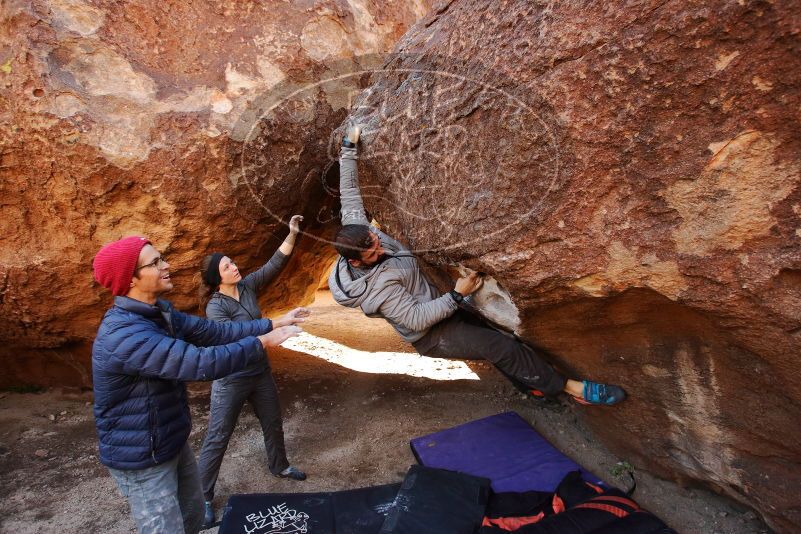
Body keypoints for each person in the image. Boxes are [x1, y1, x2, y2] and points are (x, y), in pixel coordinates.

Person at [329, 126, 626, 406]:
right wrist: (457, 295)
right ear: (354, 261)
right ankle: (575, 390)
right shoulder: (377, 291)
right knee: (501, 347)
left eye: (376, 240)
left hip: (441, 308)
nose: (381, 247)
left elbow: (350, 192)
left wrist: (348, 149)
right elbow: (416, 319)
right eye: (373, 252)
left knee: (500, 339)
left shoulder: (358, 233)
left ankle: (534, 388)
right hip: (431, 335)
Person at [91, 236, 304, 534]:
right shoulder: (125, 333)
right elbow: (199, 362)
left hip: (169, 440)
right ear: (130, 278)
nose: (167, 265)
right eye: (155, 262)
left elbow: (211, 332)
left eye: (161, 258)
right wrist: (262, 343)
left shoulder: (159, 313)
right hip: (142, 457)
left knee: (190, 521)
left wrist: (272, 324)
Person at [196, 215, 309, 529]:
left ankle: (280, 466)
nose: (234, 267)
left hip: (259, 372)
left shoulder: (246, 287)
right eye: (227, 267)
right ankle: (202, 497)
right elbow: (235, 336)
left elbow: (274, 264)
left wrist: (292, 233)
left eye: (232, 262)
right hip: (232, 377)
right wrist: (277, 325)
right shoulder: (216, 306)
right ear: (217, 279)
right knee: (218, 436)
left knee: (272, 420)